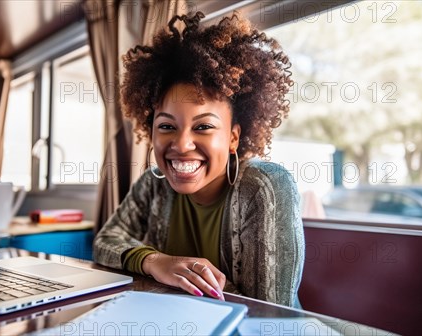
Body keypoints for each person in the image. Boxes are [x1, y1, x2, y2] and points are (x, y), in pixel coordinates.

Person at [93, 11, 304, 308]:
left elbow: (268, 312)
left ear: (233, 137)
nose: (181, 144)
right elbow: (105, 241)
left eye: (203, 126)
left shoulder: (264, 188)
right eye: (166, 126)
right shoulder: (154, 185)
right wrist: (155, 262)